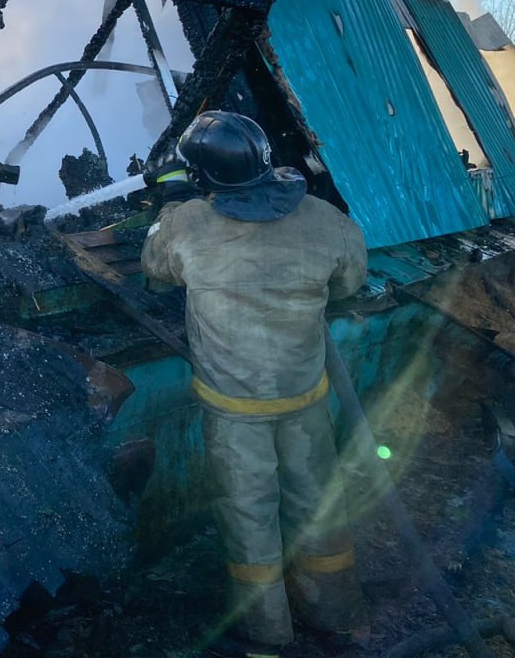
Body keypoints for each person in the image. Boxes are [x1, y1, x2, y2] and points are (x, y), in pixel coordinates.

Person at [141, 110, 368, 658]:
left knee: (249, 514)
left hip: (233, 407)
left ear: (203, 177)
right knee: (316, 500)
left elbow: (155, 269)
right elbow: (348, 284)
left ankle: (267, 632)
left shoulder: (187, 226)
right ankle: (334, 610)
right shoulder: (327, 219)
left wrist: (171, 202)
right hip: (305, 396)